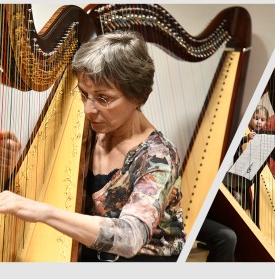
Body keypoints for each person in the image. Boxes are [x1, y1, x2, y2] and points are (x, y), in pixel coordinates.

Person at [0, 31, 186, 261]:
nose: (88, 109)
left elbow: (130, 238)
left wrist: (43, 212)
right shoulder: (86, 130)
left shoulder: (159, 157)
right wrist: (9, 171)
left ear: (138, 96)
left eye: (103, 98)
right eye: (84, 94)